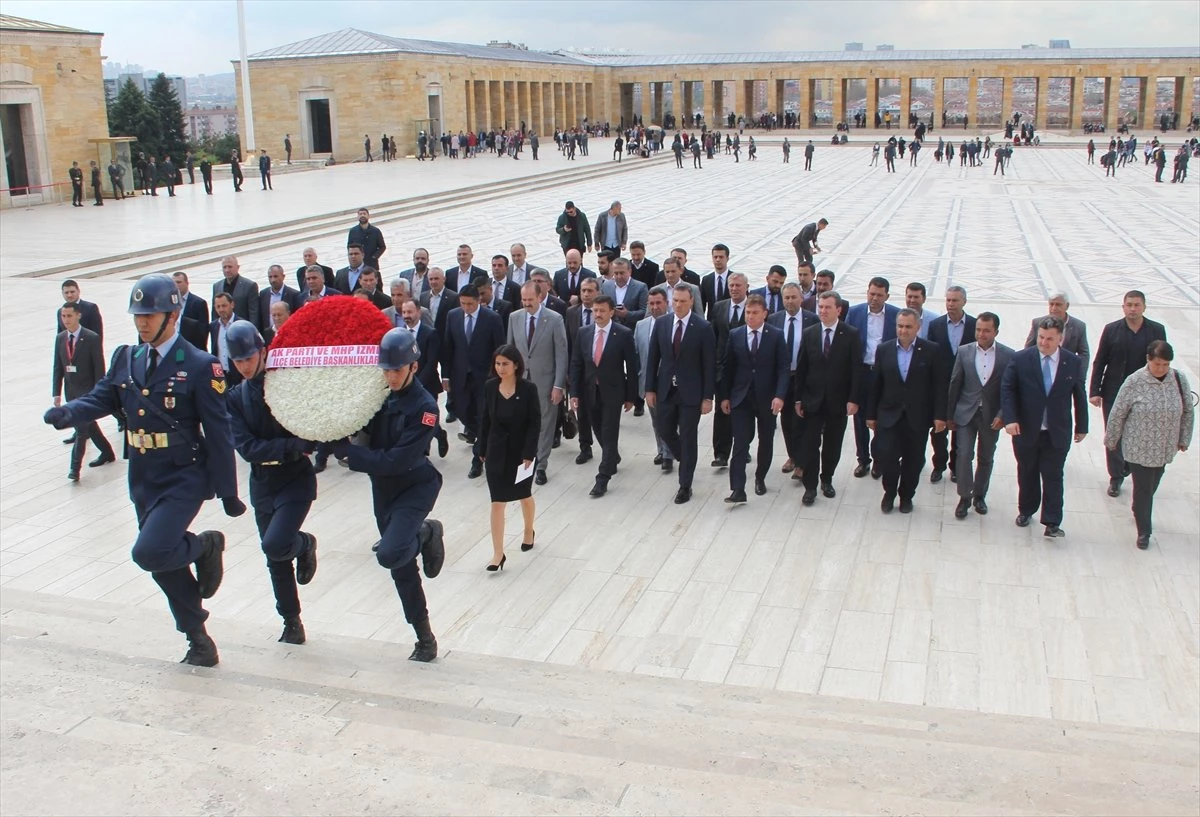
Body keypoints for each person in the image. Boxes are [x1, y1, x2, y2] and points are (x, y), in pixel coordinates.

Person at [42, 273, 245, 666]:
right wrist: (69, 412)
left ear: (173, 314)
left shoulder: (201, 365)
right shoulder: (127, 358)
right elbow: (102, 397)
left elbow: (218, 432)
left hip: (184, 475)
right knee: (161, 562)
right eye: (138, 315)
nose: (142, 323)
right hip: (144, 477)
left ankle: (204, 545)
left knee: (150, 550)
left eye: (150, 315)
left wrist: (228, 491)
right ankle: (198, 639)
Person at [333, 328, 446, 661]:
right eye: (386, 369)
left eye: (397, 369)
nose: (391, 376)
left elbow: (398, 460)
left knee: (390, 552)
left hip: (414, 485)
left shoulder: (425, 408)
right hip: (383, 488)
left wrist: (349, 455)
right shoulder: (378, 394)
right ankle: (424, 637)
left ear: (413, 366)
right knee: (400, 565)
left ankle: (425, 532)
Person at [225, 321, 318, 645]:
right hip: (263, 481)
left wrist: (294, 445)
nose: (243, 366)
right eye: (237, 361)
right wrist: (289, 445)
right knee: (275, 558)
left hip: (294, 479)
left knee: (276, 544)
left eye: (248, 359)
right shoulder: (236, 396)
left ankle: (303, 543)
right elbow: (246, 447)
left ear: (263, 352)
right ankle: (291, 620)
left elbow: (308, 432)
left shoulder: (286, 384)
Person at [1001, 316, 1089, 539]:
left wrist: (1082, 425)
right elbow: (1008, 389)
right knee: (1027, 472)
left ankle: (1051, 521)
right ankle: (1026, 509)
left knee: (1053, 475)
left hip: (1056, 431)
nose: (1044, 342)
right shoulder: (1021, 359)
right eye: (1041, 337)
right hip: (1026, 429)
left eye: (1050, 339)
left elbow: (1079, 393)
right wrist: (1010, 419)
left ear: (1060, 339)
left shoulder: (1072, 362)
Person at [1103, 341, 1194, 550]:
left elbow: (1188, 410)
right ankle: (1144, 531)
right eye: (1157, 364)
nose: (1161, 369)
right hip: (1139, 447)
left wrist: (1184, 438)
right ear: (1148, 360)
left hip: (1164, 447)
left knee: (1153, 483)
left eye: (1165, 365)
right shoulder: (1134, 381)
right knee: (1144, 488)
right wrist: (1111, 439)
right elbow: (1118, 411)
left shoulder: (1178, 379)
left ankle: (1139, 507)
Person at [867, 309, 948, 514]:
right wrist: (871, 414)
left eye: (908, 326)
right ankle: (890, 492)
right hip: (889, 415)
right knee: (888, 457)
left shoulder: (931, 351)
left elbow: (939, 386)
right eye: (900, 326)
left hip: (917, 417)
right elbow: (876, 384)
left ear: (918, 327)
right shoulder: (884, 349)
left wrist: (940, 415)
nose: (903, 330)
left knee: (914, 461)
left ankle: (906, 496)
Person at [1088, 290, 1168, 497]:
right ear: (1123, 307)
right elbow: (1100, 360)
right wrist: (1095, 390)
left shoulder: (1156, 330)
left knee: (1138, 432)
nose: (1133, 309)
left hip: (1144, 393)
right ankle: (1115, 476)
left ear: (1144, 307)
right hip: (1114, 390)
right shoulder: (1112, 330)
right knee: (1114, 432)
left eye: (1136, 305)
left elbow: (1162, 363)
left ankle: (1130, 466)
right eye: (1129, 305)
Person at [645, 284, 716, 504]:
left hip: (691, 393)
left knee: (688, 436)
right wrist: (649, 388)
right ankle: (686, 461)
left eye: (682, 301)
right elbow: (653, 358)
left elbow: (709, 365)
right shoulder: (663, 323)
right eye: (675, 300)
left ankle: (685, 484)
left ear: (691, 302)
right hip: (666, 389)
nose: (678, 305)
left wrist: (707, 397)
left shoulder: (703, 327)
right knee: (665, 430)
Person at [718, 294, 789, 502]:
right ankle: (738, 489)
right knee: (739, 443)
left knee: (765, 441)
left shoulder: (775, 335)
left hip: (767, 398)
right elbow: (727, 367)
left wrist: (780, 395)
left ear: (764, 314)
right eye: (748, 312)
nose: (750, 316)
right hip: (741, 398)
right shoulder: (736, 334)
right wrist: (724, 397)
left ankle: (760, 477)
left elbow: (783, 367)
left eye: (755, 313)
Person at [795, 291, 863, 504]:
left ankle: (827, 479)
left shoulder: (850, 334)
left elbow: (856, 370)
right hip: (812, 400)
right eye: (820, 307)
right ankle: (810, 486)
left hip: (838, 401)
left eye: (827, 307)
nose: (822, 311)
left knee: (833, 444)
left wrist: (853, 399)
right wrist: (798, 399)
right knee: (809, 445)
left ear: (839, 310)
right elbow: (802, 368)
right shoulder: (810, 333)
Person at [946, 312, 1014, 519]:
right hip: (966, 412)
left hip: (991, 416)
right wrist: (950, 415)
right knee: (964, 454)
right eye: (978, 329)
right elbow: (955, 383)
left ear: (996, 332)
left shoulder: (1007, 355)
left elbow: (1009, 388)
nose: (981, 334)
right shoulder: (964, 351)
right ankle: (964, 496)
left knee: (986, 457)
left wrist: (1003, 414)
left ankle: (980, 495)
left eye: (986, 330)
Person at [569, 295, 638, 497]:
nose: (597, 314)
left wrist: (631, 396)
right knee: (597, 429)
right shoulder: (584, 333)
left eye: (601, 311)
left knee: (609, 432)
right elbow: (576, 364)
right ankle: (612, 456)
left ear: (611, 312)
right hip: (589, 391)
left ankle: (603, 477)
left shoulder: (623, 334)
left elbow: (632, 368)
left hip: (613, 392)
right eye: (595, 311)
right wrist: (574, 392)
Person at [441, 284, 506, 475]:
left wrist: (500, 376)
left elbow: (499, 348)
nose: (466, 307)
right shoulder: (453, 316)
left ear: (478, 301)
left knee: (482, 416)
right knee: (462, 412)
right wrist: (445, 374)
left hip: (484, 378)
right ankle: (483, 439)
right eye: (463, 304)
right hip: (460, 376)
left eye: (470, 304)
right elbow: (448, 347)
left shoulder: (491, 318)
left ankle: (478, 458)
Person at [506, 282, 568, 485]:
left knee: (545, 425)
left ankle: (541, 466)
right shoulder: (514, 318)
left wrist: (558, 385)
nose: (526, 304)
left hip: (545, 382)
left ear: (540, 297)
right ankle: (525, 463)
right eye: (523, 300)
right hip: (521, 382)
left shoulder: (554, 319)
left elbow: (561, 354)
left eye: (530, 300)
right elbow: (510, 351)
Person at [52, 301, 116, 480]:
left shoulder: (91, 338)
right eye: (63, 316)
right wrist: (56, 392)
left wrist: (98, 393)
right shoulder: (60, 338)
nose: (66, 320)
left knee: (81, 430)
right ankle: (108, 453)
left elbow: (99, 367)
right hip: (71, 392)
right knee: (90, 426)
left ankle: (74, 469)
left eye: (69, 316)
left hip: (88, 393)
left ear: (78, 315)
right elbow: (58, 367)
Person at [847, 277, 899, 477]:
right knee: (860, 419)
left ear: (887, 295)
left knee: (881, 419)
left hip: (884, 375)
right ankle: (863, 459)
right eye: (871, 294)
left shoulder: (895, 315)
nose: (874, 298)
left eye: (879, 295)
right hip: (861, 373)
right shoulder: (855, 313)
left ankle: (879, 459)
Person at [926, 286, 976, 483]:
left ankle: (955, 466)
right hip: (941, 386)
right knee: (938, 429)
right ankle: (939, 464)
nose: (950, 304)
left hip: (964, 386)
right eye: (948, 300)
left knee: (960, 426)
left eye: (955, 300)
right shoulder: (936, 325)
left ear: (964, 301)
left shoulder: (973, 325)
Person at [636, 287, 672, 469]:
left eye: (658, 303)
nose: (655, 307)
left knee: (669, 419)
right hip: (648, 382)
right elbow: (637, 355)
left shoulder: (673, 323)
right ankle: (662, 450)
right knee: (656, 420)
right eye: (651, 304)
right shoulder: (641, 326)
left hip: (670, 382)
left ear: (666, 303)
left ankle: (668, 453)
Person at [1025, 293, 1089, 358]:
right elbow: (1027, 349)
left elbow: (1084, 354)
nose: (1054, 308)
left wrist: (1078, 368)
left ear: (1067, 306)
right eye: (1051, 304)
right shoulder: (1037, 323)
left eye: (1058, 305)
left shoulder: (1079, 326)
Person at [212, 255, 261, 327]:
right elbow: (214, 312)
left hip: (242, 329)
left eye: (230, 267)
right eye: (224, 267)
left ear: (238, 267)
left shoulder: (249, 286)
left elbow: (254, 314)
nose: (227, 270)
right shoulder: (217, 286)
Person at [173, 272, 210, 351]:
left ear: (187, 283)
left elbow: (203, 332)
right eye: (174, 283)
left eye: (179, 282)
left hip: (192, 349)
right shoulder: (169, 303)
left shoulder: (199, 303)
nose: (176, 285)